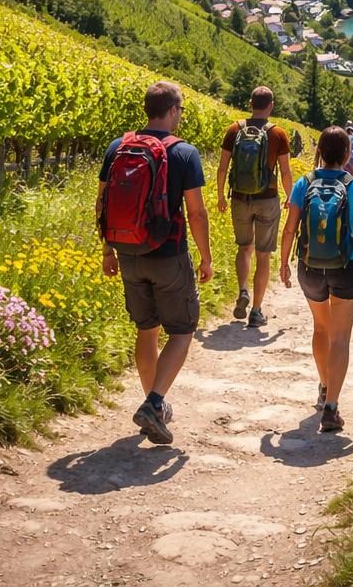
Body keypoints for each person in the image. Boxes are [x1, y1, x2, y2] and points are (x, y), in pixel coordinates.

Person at [98, 81, 213, 446]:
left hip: (128, 251)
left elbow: (101, 203)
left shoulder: (118, 147)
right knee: (182, 330)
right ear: (174, 111)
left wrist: (107, 250)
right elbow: (196, 213)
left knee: (146, 329)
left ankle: (153, 404)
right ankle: (154, 402)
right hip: (167, 253)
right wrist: (206, 256)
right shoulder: (184, 153)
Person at [279, 126, 353, 433]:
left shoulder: (304, 183)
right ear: (345, 154)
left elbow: (290, 229)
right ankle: (332, 408)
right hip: (348, 267)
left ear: (320, 152)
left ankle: (324, 386)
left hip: (310, 267)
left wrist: (284, 263)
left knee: (321, 328)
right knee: (340, 337)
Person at [217, 85, 294, 329]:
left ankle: (242, 291)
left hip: (239, 198)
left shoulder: (234, 130)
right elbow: (285, 171)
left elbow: (222, 168)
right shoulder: (278, 134)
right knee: (263, 255)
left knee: (244, 247)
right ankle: (257, 311)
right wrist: (290, 197)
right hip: (267, 199)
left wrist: (220, 195)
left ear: (251, 103)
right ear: (271, 105)